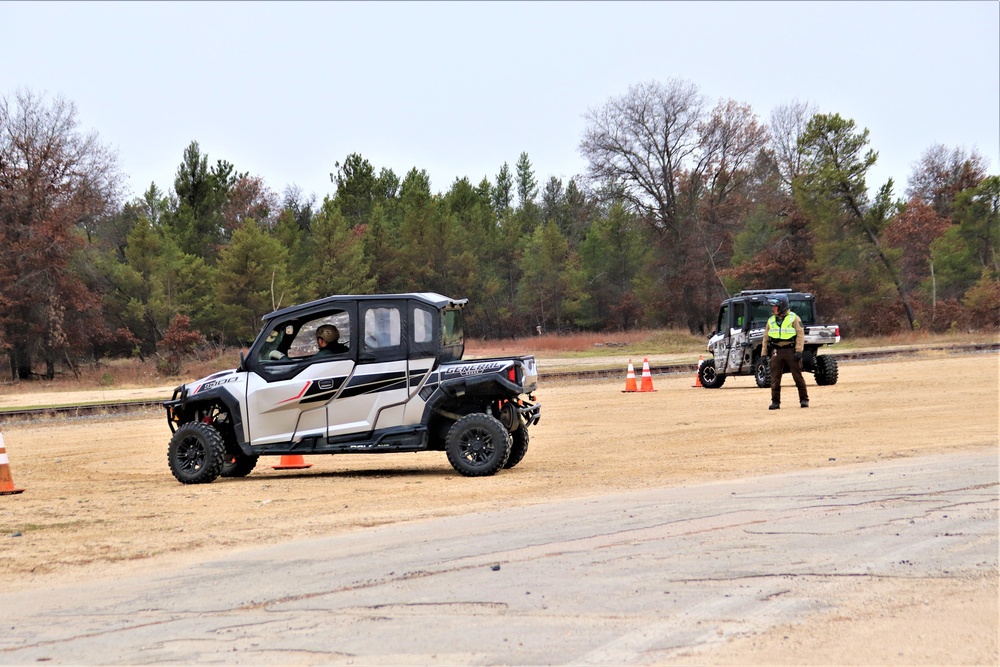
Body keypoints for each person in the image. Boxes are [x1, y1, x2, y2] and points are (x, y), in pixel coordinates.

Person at [762, 293, 809, 409]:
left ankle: (804, 400)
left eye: (775, 306)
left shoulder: (794, 318)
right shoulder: (771, 320)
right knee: (774, 378)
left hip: (791, 350)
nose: (773, 308)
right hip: (776, 351)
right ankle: (775, 402)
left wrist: (798, 351)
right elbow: (765, 338)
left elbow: (800, 335)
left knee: (797, 377)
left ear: (782, 306)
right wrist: (763, 354)